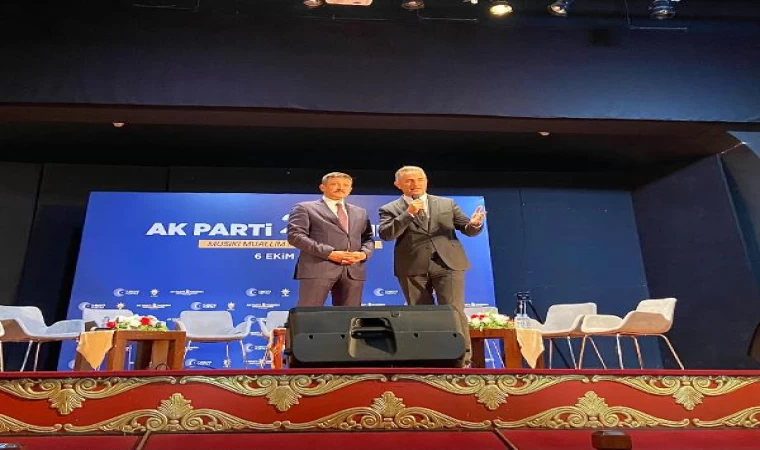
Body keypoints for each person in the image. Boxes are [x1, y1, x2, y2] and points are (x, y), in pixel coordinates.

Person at [378, 165, 486, 365]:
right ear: (398, 184)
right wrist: (408, 214)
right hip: (412, 266)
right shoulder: (389, 209)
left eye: (420, 179)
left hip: (448, 263)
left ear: (426, 181)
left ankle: (462, 359)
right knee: (420, 314)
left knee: (454, 311)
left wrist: (475, 224)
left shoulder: (446, 203)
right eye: (409, 181)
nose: (415, 184)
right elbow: (386, 234)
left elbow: (467, 228)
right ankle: (427, 360)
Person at [287, 172, 374, 307]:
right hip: (318, 268)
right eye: (335, 184)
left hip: (353, 271)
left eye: (346, 185)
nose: (341, 188)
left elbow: (368, 238)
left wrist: (363, 254)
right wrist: (330, 253)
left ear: (350, 189)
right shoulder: (305, 208)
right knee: (309, 313)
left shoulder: (360, 212)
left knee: (349, 315)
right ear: (322, 187)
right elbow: (296, 236)